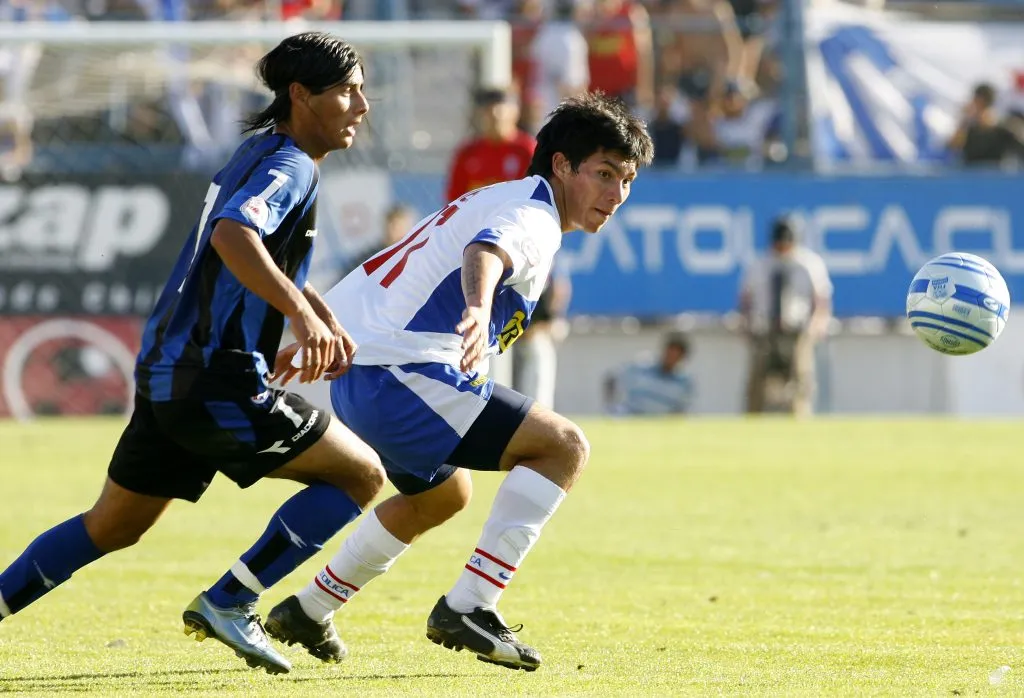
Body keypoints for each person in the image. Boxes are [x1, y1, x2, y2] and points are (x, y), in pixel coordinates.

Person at [0, 32, 386, 677]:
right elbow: (236, 234)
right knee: (360, 476)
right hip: (218, 376)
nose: (362, 105)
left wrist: (314, 310)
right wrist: (297, 313)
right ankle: (230, 601)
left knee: (113, 525)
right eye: (347, 90)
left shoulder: (260, 150)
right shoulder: (290, 165)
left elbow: (253, 245)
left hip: (168, 370)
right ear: (301, 95)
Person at [246, 93, 653, 672]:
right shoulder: (532, 214)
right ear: (561, 165)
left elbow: (390, 271)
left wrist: (326, 339)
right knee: (563, 446)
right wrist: (478, 304)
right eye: (605, 174)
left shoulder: (502, 196)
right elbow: (485, 252)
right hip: (407, 379)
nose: (616, 196)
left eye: (627, 180)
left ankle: (310, 608)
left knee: (442, 495)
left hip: (371, 379)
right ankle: (472, 605)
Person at [739, 215, 832, 416]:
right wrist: (746, 326)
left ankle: (799, 419)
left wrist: (817, 325)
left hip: (797, 330)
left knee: (800, 378)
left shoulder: (809, 264)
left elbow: (820, 299)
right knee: (757, 380)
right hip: (764, 329)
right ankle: (751, 420)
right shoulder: (760, 264)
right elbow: (746, 298)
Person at [445, 87, 536, 203]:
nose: (494, 119)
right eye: (488, 114)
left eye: (499, 115)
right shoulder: (468, 152)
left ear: (515, 113)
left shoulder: (527, 150)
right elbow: (455, 198)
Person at [603, 332, 694, 415]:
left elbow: (680, 411)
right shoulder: (642, 366)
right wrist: (611, 407)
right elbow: (612, 378)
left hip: (658, 427)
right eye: (669, 352)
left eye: (676, 355)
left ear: (682, 357)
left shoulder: (684, 383)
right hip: (630, 421)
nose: (671, 357)